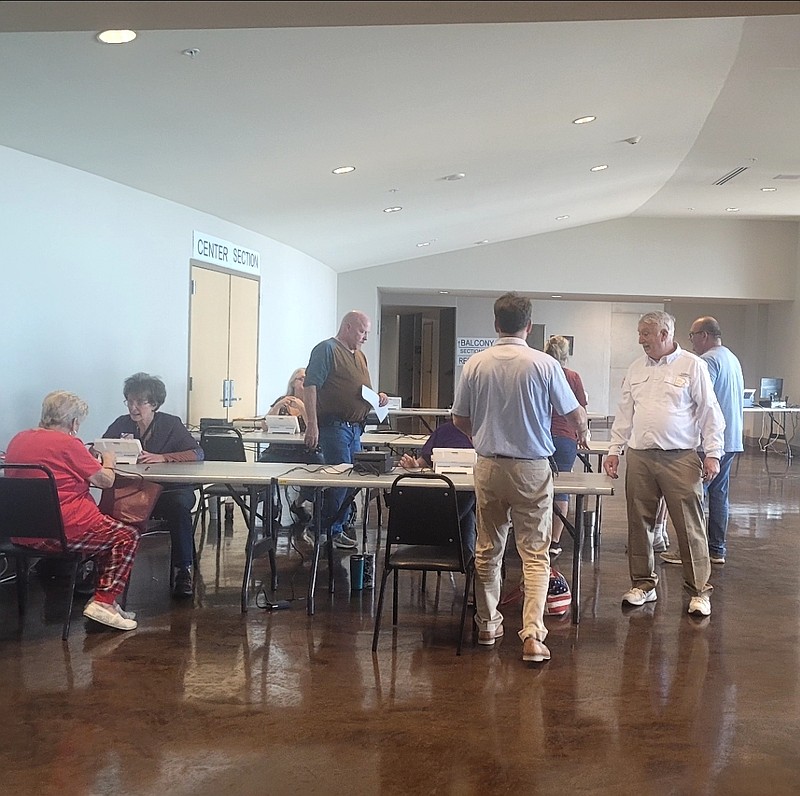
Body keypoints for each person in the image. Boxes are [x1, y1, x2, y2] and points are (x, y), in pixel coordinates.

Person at [452, 292, 589, 663]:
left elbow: (459, 419)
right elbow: (574, 415)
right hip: (531, 467)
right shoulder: (545, 365)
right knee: (534, 553)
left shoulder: (475, 364)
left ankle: (487, 623)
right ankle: (531, 635)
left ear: (496, 324)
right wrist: (583, 434)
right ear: (529, 326)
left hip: (489, 465)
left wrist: (481, 436)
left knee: (488, 548)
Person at [602, 311, 725, 617]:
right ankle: (644, 584)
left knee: (689, 525)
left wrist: (713, 453)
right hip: (641, 456)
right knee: (638, 523)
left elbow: (710, 411)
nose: (640, 339)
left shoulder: (692, 365)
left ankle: (699, 590)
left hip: (681, 457)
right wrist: (614, 449)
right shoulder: (635, 368)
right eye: (640, 333)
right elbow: (625, 412)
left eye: (646, 333)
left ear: (665, 334)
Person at [5, 391, 140, 631]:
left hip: (22, 533)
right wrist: (108, 460)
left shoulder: (19, 439)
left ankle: (105, 601)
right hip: (64, 531)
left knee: (107, 534)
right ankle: (103, 602)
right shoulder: (69, 444)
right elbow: (105, 480)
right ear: (74, 422)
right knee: (125, 535)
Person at [103, 372, 203, 598]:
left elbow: (197, 452)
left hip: (170, 490)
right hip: (136, 490)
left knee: (179, 507)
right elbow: (100, 447)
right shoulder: (121, 423)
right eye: (129, 401)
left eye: (140, 402)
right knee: (110, 504)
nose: (133, 407)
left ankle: (183, 570)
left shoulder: (171, 424)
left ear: (155, 404)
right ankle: (104, 568)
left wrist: (164, 457)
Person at [660, 316, 744, 566]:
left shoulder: (706, 362)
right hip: (730, 440)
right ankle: (717, 549)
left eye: (692, 335)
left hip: (708, 443)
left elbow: (697, 401)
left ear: (704, 335)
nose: (691, 341)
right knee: (719, 496)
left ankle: (689, 552)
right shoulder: (731, 358)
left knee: (692, 497)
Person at [303, 311, 388, 550]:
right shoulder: (327, 350)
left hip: (354, 429)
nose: (365, 337)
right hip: (334, 427)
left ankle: (335, 528)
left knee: (353, 481)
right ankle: (318, 528)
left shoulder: (360, 357)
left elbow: (362, 390)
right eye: (362, 331)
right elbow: (311, 386)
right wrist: (312, 423)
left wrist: (379, 397)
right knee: (340, 481)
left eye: (367, 332)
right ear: (348, 327)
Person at [398, 420, 477, 557]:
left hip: (474, 501)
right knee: (468, 501)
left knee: (469, 497)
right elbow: (424, 462)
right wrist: (415, 465)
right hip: (448, 497)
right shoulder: (445, 431)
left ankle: (441, 529)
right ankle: (465, 555)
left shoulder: (489, 432)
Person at [543, 335, 588, 560]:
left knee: (536, 488)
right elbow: (580, 411)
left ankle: (536, 539)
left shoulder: (539, 372)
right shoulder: (573, 377)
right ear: (566, 355)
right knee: (561, 489)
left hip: (540, 437)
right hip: (566, 437)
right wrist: (583, 433)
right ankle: (554, 542)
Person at [258, 367, 323, 524]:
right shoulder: (283, 400)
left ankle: (299, 503)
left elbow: (313, 428)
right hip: (278, 450)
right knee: (262, 463)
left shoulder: (314, 402)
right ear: (293, 382)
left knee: (320, 464)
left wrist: (302, 408)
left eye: (306, 379)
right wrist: (278, 406)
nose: (303, 381)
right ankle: (270, 503)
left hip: (304, 451)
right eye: (300, 378)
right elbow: (265, 426)